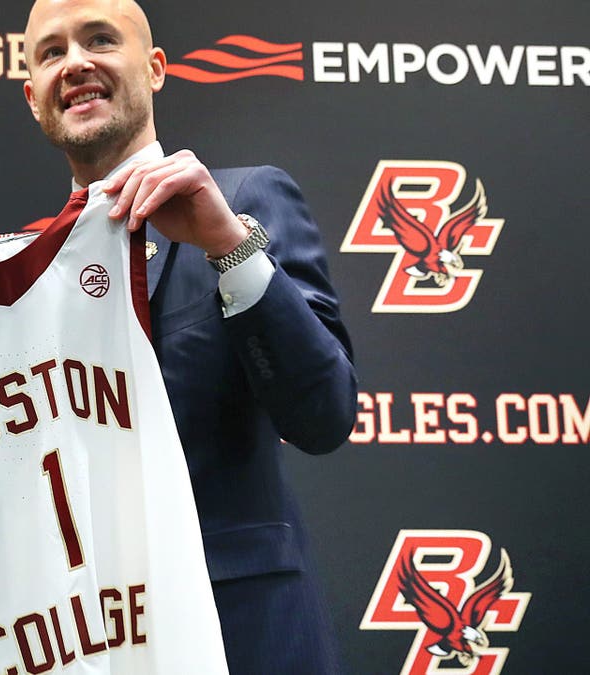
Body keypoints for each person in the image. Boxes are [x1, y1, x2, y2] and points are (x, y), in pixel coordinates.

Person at [21, 1, 358, 673]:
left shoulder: (244, 203)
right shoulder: (23, 268)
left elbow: (324, 414)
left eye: (99, 40)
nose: (77, 63)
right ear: (33, 97)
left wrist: (227, 245)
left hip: (245, 632)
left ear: (155, 69)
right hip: (87, 641)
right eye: (52, 52)